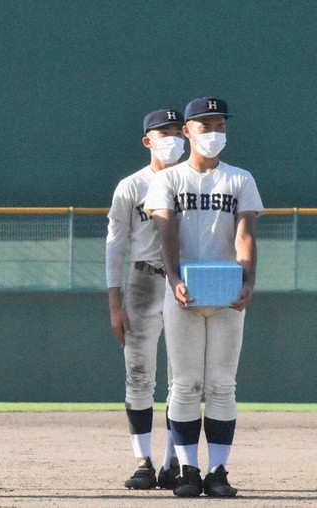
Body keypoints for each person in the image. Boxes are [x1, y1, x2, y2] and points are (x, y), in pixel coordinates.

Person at [145, 97, 263, 497]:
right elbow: (166, 234)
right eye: (206, 125)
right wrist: (174, 277)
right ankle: (187, 469)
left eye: (221, 126)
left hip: (228, 290)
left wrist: (248, 280)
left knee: (222, 384)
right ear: (189, 130)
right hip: (183, 292)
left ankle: (217, 470)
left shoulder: (240, 179)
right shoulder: (169, 179)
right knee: (185, 384)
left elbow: (246, 234)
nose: (215, 133)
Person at [106, 108, 185, 490]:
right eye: (162, 132)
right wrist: (114, 302)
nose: (171, 138)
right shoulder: (131, 185)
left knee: (182, 379)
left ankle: (174, 461)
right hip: (142, 279)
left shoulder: (192, 181)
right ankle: (143, 460)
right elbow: (115, 246)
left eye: (176, 131)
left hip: (184, 281)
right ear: (147, 140)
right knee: (139, 377)